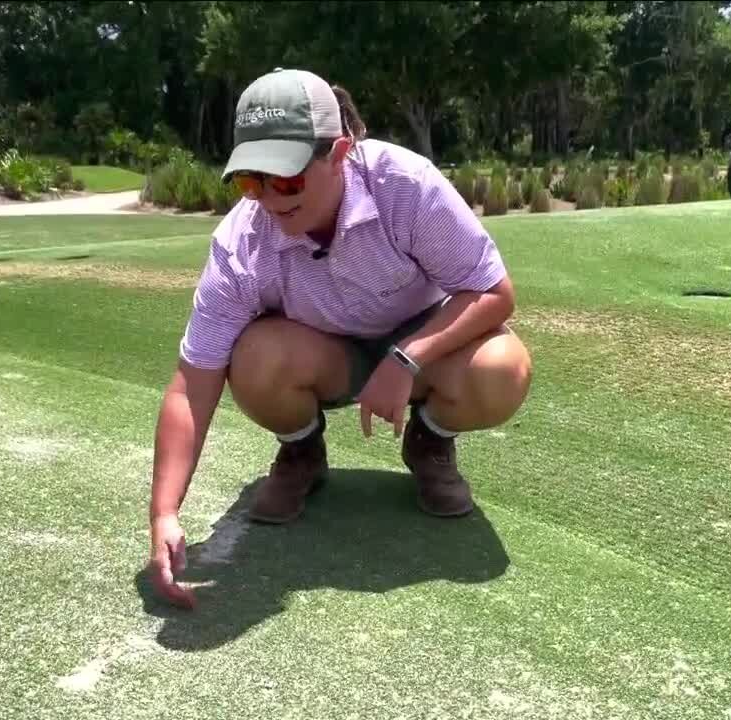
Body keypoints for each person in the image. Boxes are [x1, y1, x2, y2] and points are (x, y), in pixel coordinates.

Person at [146, 68, 532, 609]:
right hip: (319, 354)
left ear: (340, 152)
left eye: (287, 179)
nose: (270, 200)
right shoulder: (240, 241)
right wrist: (165, 511)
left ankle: (430, 439)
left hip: (420, 344)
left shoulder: (407, 184)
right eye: (252, 181)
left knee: (502, 368)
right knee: (253, 358)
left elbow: (493, 293)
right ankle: (302, 449)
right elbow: (192, 384)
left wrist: (406, 358)